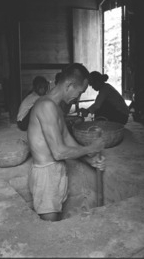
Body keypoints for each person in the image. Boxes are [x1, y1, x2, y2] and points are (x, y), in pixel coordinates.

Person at [27, 63, 105, 222]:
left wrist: (91, 159)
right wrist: (93, 147)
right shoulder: (46, 106)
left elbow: (69, 142)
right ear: (69, 85)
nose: (79, 97)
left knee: (57, 220)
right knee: (50, 229)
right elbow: (59, 152)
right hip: (46, 174)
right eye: (80, 92)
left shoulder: (56, 108)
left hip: (57, 170)